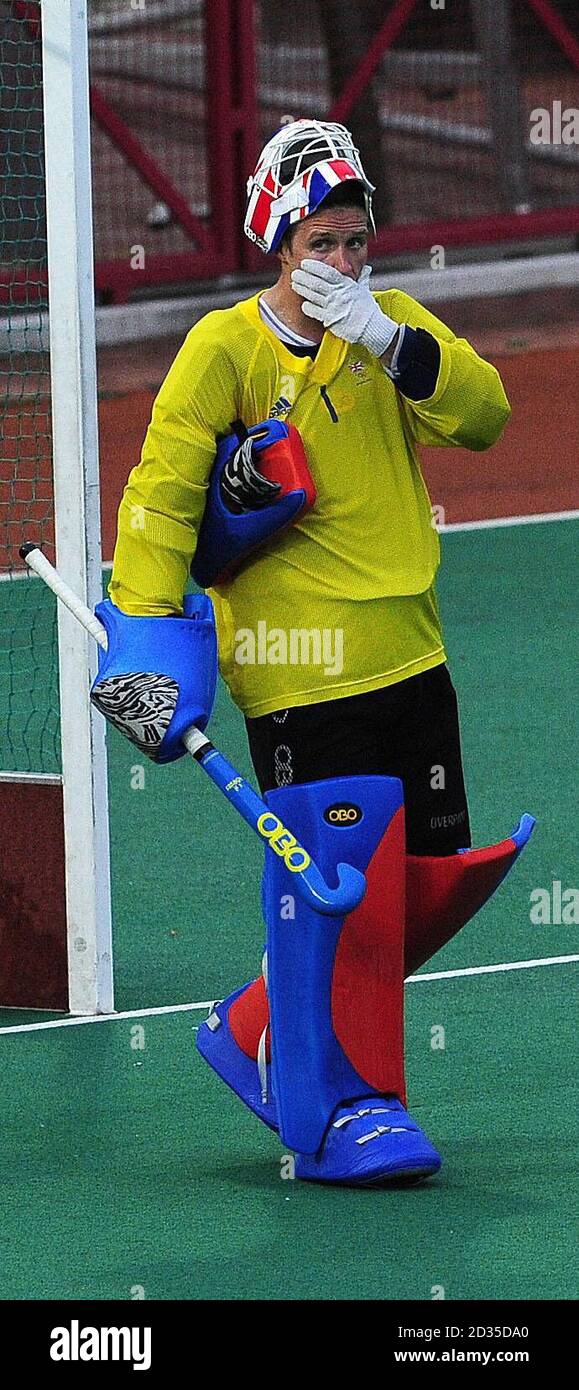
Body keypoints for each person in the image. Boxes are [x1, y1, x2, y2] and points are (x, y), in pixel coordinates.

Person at [100, 119, 521, 1185]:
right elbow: (158, 498)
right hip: (298, 674)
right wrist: (140, 638)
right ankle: (342, 1111)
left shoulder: (391, 331)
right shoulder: (224, 350)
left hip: (412, 658)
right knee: (351, 896)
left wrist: (390, 339)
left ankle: (256, 1027)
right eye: (322, 241)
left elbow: (486, 415)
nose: (342, 262)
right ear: (278, 241)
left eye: (355, 240)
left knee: (424, 884)